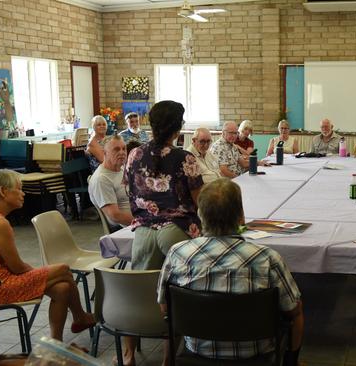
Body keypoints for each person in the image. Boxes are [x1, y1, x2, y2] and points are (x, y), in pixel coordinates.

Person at [157, 178, 304, 365]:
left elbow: (164, 307)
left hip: (198, 349)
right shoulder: (268, 258)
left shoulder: (178, 254)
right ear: (241, 217)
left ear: (200, 215)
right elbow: (292, 309)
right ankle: (292, 362)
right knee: (298, 308)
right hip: (255, 354)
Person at [123, 100, 204, 366]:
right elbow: (199, 200)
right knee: (176, 294)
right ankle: (168, 358)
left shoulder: (134, 154)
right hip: (176, 231)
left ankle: (126, 354)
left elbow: (130, 191)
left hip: (144, 231)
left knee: (141, 292)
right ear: (178, 127)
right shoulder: (185, 158)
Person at [0, 170, 95, 342]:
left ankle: (56, 343)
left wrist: (42, 275)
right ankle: (80, 317)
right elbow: (17, 268)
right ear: (3, 191)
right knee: (62, 269)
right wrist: (41, 275)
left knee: (62, 288)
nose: (23, 194)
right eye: (19, 189)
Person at [88, 135, 133, 231]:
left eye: (124, 149)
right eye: (116, 149)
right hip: (125, 228)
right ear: (105, 153)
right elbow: (115, 216)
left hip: (139, 218)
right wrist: (143, 221)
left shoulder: (121, 168)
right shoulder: (102, 179)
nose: (122, 152)